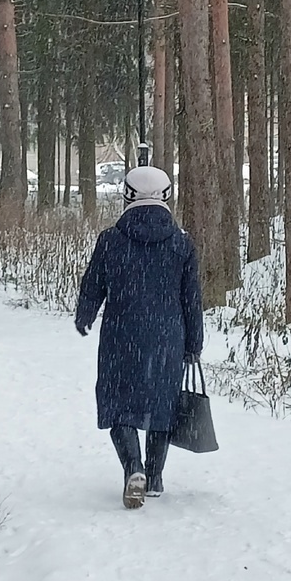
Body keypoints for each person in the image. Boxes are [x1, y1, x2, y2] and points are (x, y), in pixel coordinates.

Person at [74, 166, 204, 509]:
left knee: (119, 404)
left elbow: (93, 284)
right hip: (167, 337)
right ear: (166, 195)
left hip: (122, 334)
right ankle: (156, 476)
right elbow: (191, 298)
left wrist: (85, 314)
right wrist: (194, 343)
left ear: (127, 195)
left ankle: (133, 468)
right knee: (162, 404)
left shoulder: (111, 240)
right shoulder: (181, 243)